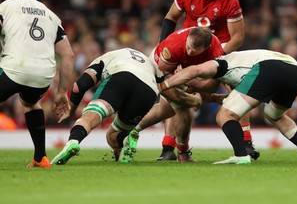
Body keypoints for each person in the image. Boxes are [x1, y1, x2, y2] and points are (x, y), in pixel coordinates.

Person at [157, 0, 258, 161]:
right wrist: (165, 48)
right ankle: (168, 148)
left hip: (220, 51)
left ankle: (246, 142)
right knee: (172, 93)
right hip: (191, 51)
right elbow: (170, 18)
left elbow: (237, 37)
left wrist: (215, 57)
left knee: (238, 89)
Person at [158, 49, 297, 164]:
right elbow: (240, 99)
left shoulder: (220, 63)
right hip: (295, 70)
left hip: (268, 68)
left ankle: (241, 155)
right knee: (274, 115)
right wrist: (211, 96)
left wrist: (163, 85)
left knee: (224, 116)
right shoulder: (239, 64)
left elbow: (194, 71)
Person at [50, 48, 197, 165]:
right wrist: (196, 100)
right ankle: (125, 143)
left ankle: (73, 142)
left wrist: (72, 110)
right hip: (148, 91)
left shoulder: (103, 59)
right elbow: (172, 95)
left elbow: (78, 87)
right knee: (113, 136)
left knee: (90, 116)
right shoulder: (151, 65)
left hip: (121, 76)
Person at [0, 0, 75, 168]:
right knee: (31, 104)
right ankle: (40, 158)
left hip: (13, 67)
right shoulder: (51, 14)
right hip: (43, 76)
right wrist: (61, 93)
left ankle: (40, 158)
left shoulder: (5, 7)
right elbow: (68, 55)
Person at [143, 26, 224, 162]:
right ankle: (183, 152)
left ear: (206, 48)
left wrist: (188, 81)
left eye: (195, 50)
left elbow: (211, 86)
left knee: (165, 110)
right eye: (189, 47)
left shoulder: (217, 54)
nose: (190, 52)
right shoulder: (174, 45)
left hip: (187, 74)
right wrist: (185, 85)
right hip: (163, 70)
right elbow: (165, 74)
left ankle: (129, 128)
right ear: (187, 38)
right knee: (185, 109)